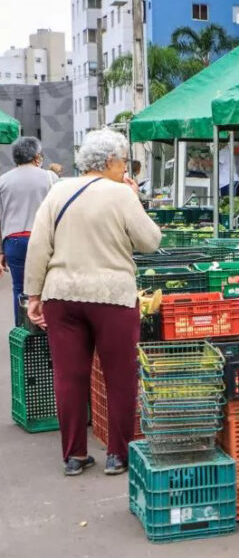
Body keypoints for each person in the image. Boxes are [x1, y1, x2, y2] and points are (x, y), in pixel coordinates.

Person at [24, 128, 162, 476]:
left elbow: (39, 245)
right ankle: (118, 455)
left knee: (69, 377)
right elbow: (150, 241)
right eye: (124, 161)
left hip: (62, 295)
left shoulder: (58, 191)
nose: (125, 168)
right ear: (110, 161)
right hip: (111, 295)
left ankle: (73, 455)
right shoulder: (122, 194)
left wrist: (34, 295)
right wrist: (135, 200)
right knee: (119, 376)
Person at [0, 136, 57, 319]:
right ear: (36, 156)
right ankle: (47, 328)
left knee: (20, 288)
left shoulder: (3, 181)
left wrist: (1, 251)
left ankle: (23, 330)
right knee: (47, 288)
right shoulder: (50, 178)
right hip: (43, 240)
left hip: (14, 241)